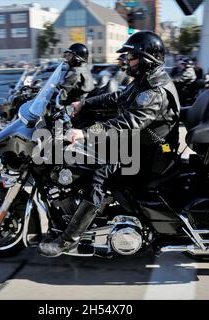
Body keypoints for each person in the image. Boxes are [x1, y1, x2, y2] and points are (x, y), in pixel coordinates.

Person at [37, 31, 181, 257]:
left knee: (98, 174)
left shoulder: (154, 90)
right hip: (140, 145)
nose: (127, 61)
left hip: (150, 154)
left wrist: (85, 133)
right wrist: (83, 104)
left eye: (132, 57)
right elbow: (118, 98)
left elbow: (127, 123)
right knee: (79, 159)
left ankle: (69, 239)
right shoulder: (145, 81)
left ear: (147, 59)